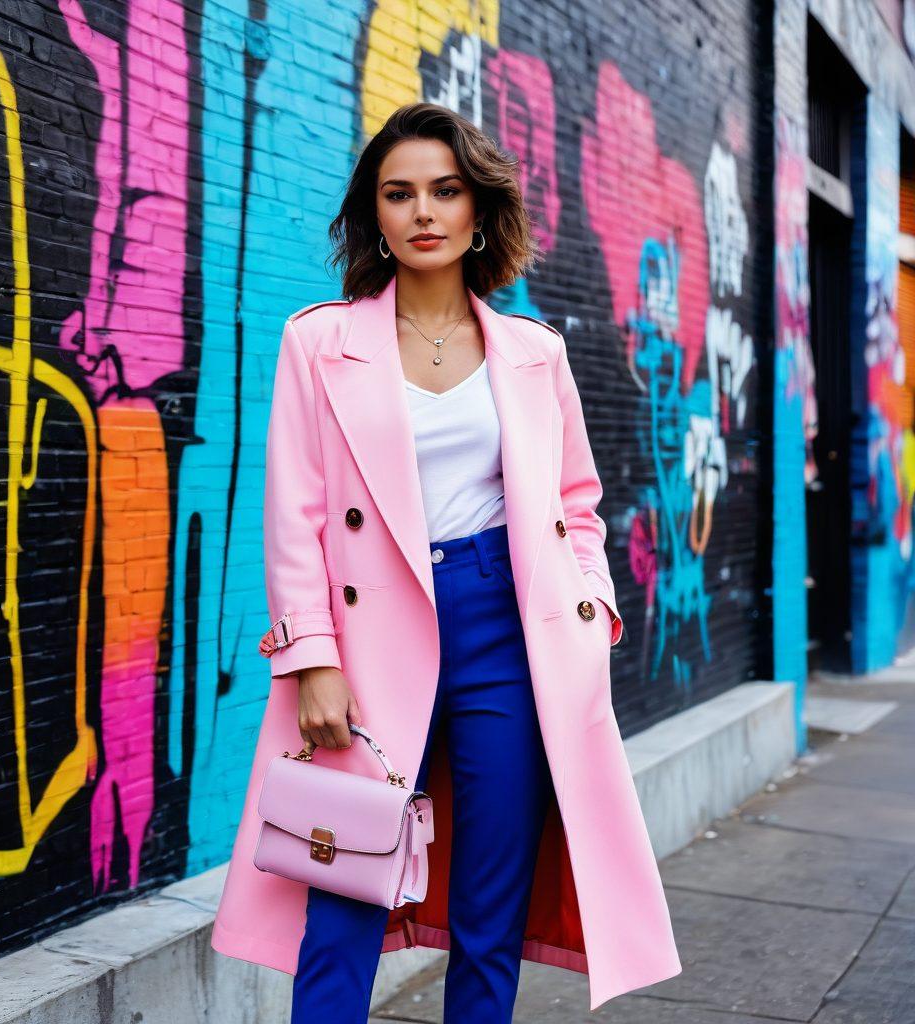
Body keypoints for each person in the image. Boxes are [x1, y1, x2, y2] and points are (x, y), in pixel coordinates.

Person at [210, 102, 682, 1022]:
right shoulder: (321, 341)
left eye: (445, 190)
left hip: (507, 630)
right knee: (341, 890)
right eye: (399, 193)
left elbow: (574, 505)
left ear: (477, 210)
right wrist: (312, 660)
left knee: (489, 907)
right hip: (371, 632)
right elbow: (294, 514)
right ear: (375, 216)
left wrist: (592, 611)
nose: (424, 211)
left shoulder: (535, 353)